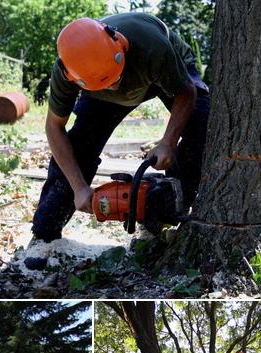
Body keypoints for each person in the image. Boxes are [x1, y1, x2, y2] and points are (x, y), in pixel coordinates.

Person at [24, 13, 210, 270]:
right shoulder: (67, 70)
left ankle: (160, 217)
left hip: (167, 73)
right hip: (97, 91)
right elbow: (54, 127)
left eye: (116, 80)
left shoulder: (151, 46)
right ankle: (44, 234)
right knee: (78, 146)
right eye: (108, 84)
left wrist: (168, 141)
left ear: (120, 45)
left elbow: (186, 92)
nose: (115, 87)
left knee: (201, 125)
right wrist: (79, 188)